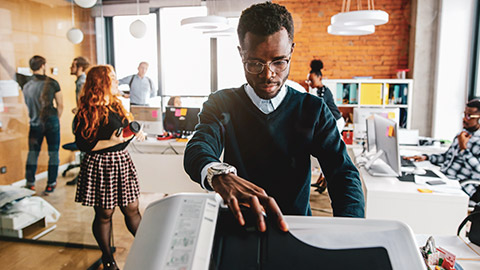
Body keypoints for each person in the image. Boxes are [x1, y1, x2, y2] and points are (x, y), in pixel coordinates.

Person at [184, 2, 365, 233]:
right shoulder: (221, 103)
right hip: (239, 229)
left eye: (279, 62)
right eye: (255, 63)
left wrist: (352, 234)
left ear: (291, 51)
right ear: (241, 54)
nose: (268, 75)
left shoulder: (313, 109)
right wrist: (218, 174)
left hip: (296, 228)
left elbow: (343, 174)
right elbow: (198, 147)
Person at [74, 65, 145, 270]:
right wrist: (112, 142)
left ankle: (147, 245)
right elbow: (84, 145)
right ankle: (108, 259)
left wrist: (133, 133)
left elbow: (122, 133)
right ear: (100, 84)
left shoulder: (117, 105)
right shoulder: (87, 111)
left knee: (132, 208)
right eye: (112, 78)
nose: (116, 82)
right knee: (105, 213)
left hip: (121, 162)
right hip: (101, 165)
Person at [403, 99, 480, 203]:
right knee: (411, 183)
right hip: (444, 179)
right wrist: (426, 157)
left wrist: (463, 148)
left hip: (461, 186)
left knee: (421, 198)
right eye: (464, 114)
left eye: (469, 116)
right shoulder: (462, 134)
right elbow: (447, 157)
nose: (464, 119)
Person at [22, 55, 63, 194]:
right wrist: (56, 119)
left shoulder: (25, 82)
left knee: (33, 154)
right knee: (53, 153)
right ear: (43, 66)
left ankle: (30, 184)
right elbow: (60, 105)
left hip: (34, 122)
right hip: (51, 121)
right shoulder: (52, 82)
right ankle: (51, 184)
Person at [307, 59, 346, 193]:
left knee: (328, 148)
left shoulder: (324, 92)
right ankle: (321, 180)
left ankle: (325, 181)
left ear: (319, 78)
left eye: (312, 80)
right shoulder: (320, 91)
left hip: (336, 121)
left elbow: (319, 109)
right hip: (333, 121)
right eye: (309, 81)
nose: (310, 83)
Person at [67, 56, 90, 186]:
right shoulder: (80, 81)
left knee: (83, 148)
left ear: (80, 68)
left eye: (73, 65)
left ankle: (83, 178)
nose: (71, 68)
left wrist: (80, 109)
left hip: (83, 119)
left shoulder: (82, 82)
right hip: (82, 116)